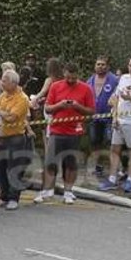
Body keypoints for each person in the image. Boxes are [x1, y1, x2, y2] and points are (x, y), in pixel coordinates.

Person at [36, 61, 95, 205]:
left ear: (78, 76)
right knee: (50, 162)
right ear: (64, 74)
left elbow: (91, 111)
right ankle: (47, 190)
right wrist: (60, 105)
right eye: (68, 78)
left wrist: (77, 106)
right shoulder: (55, 86)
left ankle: (68, 191)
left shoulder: (86, 89)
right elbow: (48, 108)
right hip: (57, 130)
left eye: (73, 79)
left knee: (71, 163)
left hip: (74, 132)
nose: (71, 81)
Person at [101, 56, 131, 194]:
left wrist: (130, 98)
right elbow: (116, 97)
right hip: (119, 120)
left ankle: (130, 179)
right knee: (114, 149)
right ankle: (112, 178)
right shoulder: (123, 78)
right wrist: (115, 116)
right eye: (130, 65)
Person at [0, 70, 31, 210]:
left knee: (14, 169)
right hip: (1, 137)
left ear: (13, 83)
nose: (1, 82)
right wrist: (0, 112)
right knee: (0, 168)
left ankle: (13, 198)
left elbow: (11, 118)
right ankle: (3, 197)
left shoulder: (22, 98)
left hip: (15, 138)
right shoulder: (3, 96)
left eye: (4, 80)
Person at [87, 56, 119, 179]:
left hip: (109, 118)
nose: (100, 66)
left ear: (108, 66)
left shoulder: (114, 80)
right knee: (95, 141)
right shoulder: (90, 81)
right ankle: (98, 167)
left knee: (110, 141)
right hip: (94, 118)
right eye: (98, 64)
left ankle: (114, 168)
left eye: (103, 64)